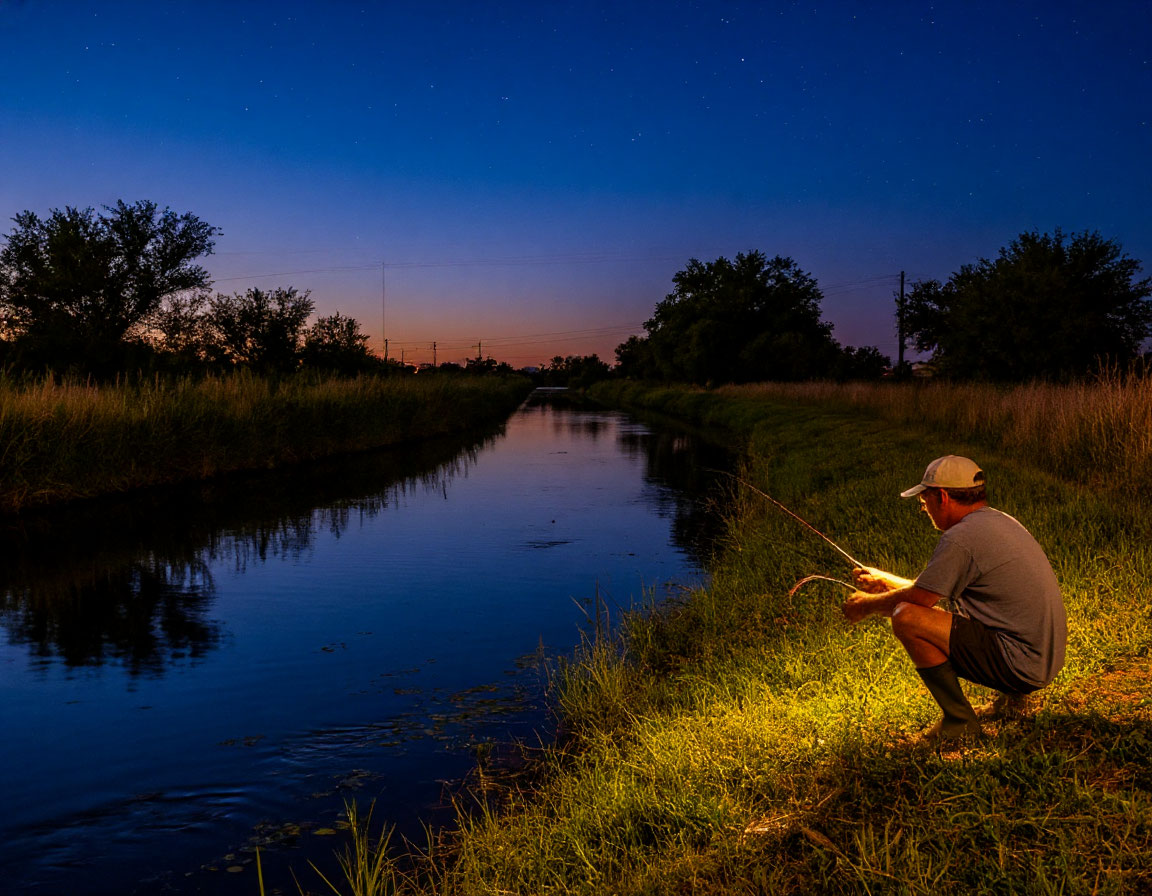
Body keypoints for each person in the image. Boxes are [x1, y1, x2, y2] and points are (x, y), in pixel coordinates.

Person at [842, 455, 1067, 743]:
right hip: (1043, 658)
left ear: (943, 497)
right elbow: (932, 592)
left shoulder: (960, 539)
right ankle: (1011, 701)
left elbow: (918, 605)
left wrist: (865, 606)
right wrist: (883, 581)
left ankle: (958, 721)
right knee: (914, 609)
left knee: (905, 618)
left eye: (924, 501)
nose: (924, 509)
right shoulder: (996, 522)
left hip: (1022, 666)